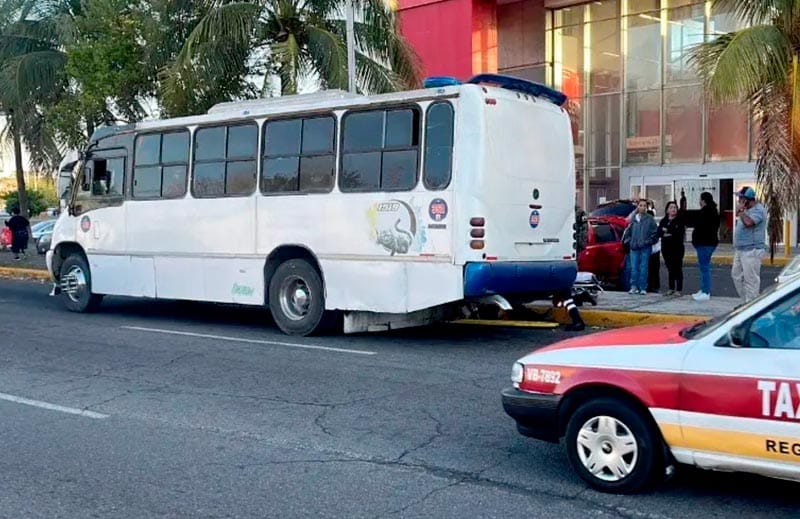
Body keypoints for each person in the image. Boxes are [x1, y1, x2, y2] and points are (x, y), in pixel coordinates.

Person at [732, 186, 766, 303]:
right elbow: (738, 214)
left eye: (741, 199)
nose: (739, 201)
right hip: (741, 249)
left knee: (751, 280)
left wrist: (741, 211)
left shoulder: (758, 210)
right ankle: (745, 302)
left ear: (747, 199)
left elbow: (749, 223)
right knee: (736, 275)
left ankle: (752, 305)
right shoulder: (746, 210)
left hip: (752, 250)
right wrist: (741, 210)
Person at [625, 199, 658, 295]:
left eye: (644, 206)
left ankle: (643, 287)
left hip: (645, 247)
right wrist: (630, 242)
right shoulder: (633, 219)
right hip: (634, 247)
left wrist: (648, 242)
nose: (642, 207)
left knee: (644, 267)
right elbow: (628, 232)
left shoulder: (650, 219)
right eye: (640, 205)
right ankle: (633, 286)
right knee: (634, 268)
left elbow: (655, 234)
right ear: (638, 207)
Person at [691, 191, 719, 301]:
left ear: (703, 201)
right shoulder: (713, 211)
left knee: (704, 268)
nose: (699, 202)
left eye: (700, 200)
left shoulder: (705, 212)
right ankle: (703, 289)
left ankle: (706, 291)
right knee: (704, 267)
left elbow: (700, 227)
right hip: (709, 243)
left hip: (704, 243)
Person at [658, 201, 686, 296]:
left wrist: (668, 231)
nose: (673, 209)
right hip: (666, 248)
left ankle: (679, 289)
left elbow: (678, 233)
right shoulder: (663, 221)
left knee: (677, 268)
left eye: (675, 207)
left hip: (677, 248)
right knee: (670, 268)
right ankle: (671, 288)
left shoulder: (680, 221)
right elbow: (659, 233)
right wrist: (666, 233)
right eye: (671, 207)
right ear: (667, 210)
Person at [646, 200, 661, 293]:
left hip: (654, 250)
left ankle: (654, 286)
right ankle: (652, 285)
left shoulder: (655, 225)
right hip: (651, 250)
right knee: (651, 269)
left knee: (654, 269)